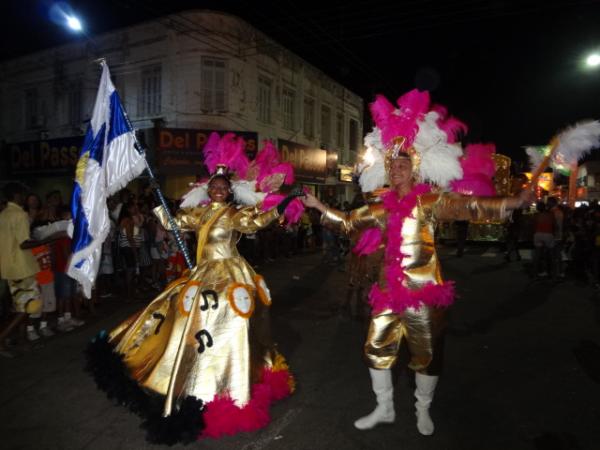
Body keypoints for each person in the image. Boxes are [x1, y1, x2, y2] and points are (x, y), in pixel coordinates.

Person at [302, 90, 531, 436]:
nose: (396, 169)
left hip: (424, 290)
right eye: (392, 165)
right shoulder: (378, 207)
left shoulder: (431, 201)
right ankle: (384, 407)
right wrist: (320, 209)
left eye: (403, 165)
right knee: (375, 348)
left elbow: (470, 207)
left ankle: (423, 408)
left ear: (414, 169)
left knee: (426, 354)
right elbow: (349, 222)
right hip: (387, 290)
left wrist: (513, 202)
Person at [86, 172, 301, 443]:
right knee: (185, 317)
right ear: (208, 190)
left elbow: (257, 221)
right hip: (203, 274)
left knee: (236, 322)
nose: (219, 190)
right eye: (215, 186)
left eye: (224, 186)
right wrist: (156, 196)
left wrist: (284, 203)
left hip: (231, 275)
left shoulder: (235, 214)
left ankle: (233, 376)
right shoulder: (199, 214)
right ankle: (191, 373)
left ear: (229, 191)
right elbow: (172, 222)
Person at [0, 183, 63, 357]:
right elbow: (24, 243)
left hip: (10, 266)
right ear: (17, 195)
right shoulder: (20, 214)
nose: (24, 198)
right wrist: (48, 239)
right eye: (22, 195)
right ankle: (3, 338)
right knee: (30, 306)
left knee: (23, 305)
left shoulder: (4, 214)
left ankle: (20, 339)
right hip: (21, 266)